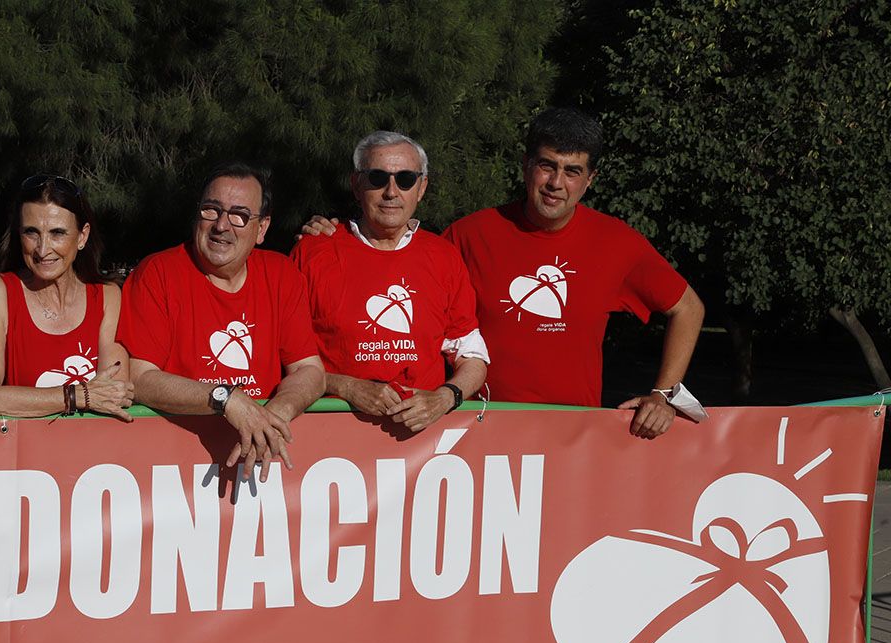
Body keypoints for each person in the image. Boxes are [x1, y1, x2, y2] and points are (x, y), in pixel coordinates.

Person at [303, 109, 705, 439]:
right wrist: (336, 235)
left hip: (574, 433)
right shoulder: (470, 234)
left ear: (590, 179)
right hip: (482, 432)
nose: (556, 183)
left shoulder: (617, 242)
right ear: (527, 166)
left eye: (572, 171)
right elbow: (394, 262)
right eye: (547, 166)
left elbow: (689, 308)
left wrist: (663, 394)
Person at [118, 163, 325, 480]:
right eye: (211, 210)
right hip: (174, 465)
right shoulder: (158, 273)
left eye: (240, 215)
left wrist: (274, 416)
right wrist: (226, 398)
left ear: (262, 228)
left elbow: (309, 370)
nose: (222, 226)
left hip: (261, 462)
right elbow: (141, 378)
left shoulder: (282, 274)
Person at [290, 131, 488, 432]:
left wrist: (445, 398)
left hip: (422, 443)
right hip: (330, 437)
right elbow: (286, 357)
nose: (391, 192)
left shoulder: (444, 256)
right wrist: (347, 387)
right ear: (356, 185)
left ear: (421, 188)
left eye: (406, 179)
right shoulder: (313, 251)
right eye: (378, 178)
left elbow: (470, 354)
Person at [0, 174, 134, 419]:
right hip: (24, 454)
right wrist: (76, 396)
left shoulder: (108, 297)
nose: (43, 250)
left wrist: (31, 400)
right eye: (31, 233)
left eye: (57, 233)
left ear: (82, 237)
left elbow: (116, 392)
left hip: (96, 453)